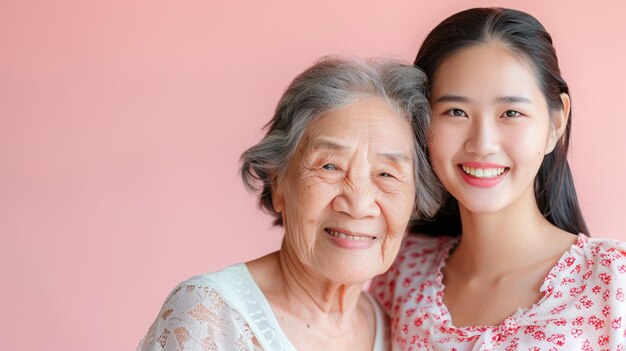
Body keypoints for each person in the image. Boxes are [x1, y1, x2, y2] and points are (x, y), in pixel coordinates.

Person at [137, 56, 443, 351]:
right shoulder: (211, 316)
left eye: (387, 174)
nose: (358, 204)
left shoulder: (401, 330)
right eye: (329, 167)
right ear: (278, 181)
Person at [371, 7, 626, 350]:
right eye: (456, 112)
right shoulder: (401, 272)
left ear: (556, 122)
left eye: (511, 113)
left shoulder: (613, 281)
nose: (483, 144)